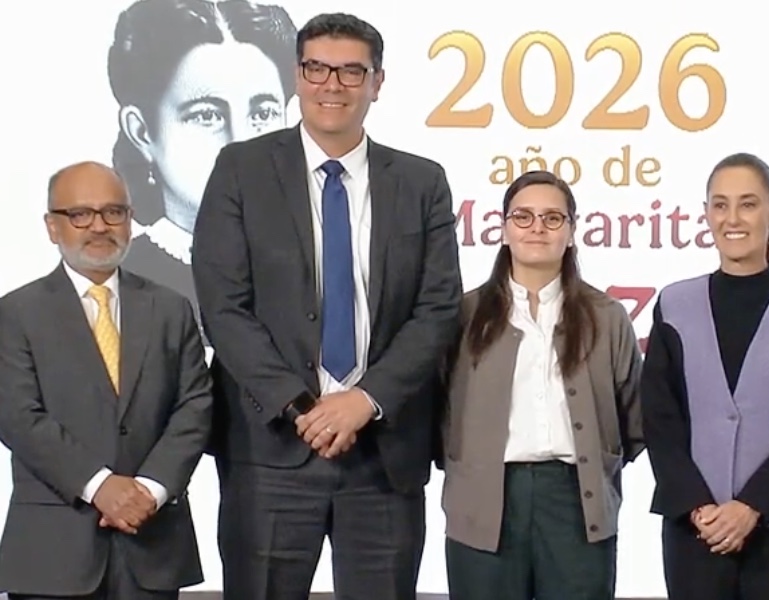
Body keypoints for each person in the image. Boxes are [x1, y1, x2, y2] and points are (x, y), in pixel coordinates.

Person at [190, 12, 462, 600]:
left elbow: (437, 309)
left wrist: (364, 401)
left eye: (349, 71)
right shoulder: (241, 170)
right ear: (297, 75)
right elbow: (223, 306)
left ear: (377, 82)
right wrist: (302, 406)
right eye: (317, 68)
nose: (331, 84)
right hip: (271, 450)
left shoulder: (421, 182)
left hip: (383, 455)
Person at [0, 161, 212, 599]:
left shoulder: (172, 309)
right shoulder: (16, 314)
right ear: (52, 227)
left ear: (130, 221)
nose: (100, 226)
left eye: (114, 212)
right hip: (53, 552)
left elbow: (195, 407)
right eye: (80, 214)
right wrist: (100, 486)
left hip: (152, 544)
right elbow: (18, 417)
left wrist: (148, 491)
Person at [641, 153, 769, 600]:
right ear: (707, 213)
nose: (733, 218)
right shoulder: (674, 304)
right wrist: (698, 507)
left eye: (748, 204)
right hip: (694, 531)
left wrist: (752, 505)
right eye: (720, 205)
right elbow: (659, 417)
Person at [439, 170, 645, 599]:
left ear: (571, 232)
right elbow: (434, 410)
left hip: (576, 502)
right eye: (524, 216)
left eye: (553, 218)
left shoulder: (607, 317)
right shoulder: (463, 315)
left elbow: (634, 420)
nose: (537, 228)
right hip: (484, 501)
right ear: (503, 228)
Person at [108, 0, 297, 310]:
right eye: (207, 116)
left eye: (263, 113)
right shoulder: (116, 284)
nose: (241, 143)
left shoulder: (321, 262)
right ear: (142, 132)